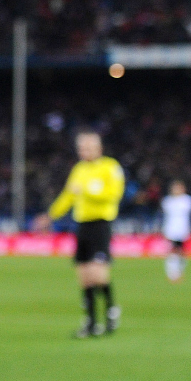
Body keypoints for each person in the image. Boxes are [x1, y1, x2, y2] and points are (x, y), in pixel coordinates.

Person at [40, 131, 125, 338]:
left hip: (101, 224)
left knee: (99, 274)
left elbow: (114, 194)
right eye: (81, 148)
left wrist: (87, 191)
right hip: (82, 225)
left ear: (99, 148)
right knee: (84, 277)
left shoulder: (110, 167)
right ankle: (91, 322)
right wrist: (51, 216)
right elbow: (68, 196)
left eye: (88, 147)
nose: (84, 151)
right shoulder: (79, 169)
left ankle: (111, 310)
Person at [161, 180, 191, 282]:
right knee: (172, 251)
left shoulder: (187, 200)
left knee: (181, 252)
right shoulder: (167, 201)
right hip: (171, 229)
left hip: (182, 229)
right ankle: (172, 273)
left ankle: (179, 272)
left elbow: (190, 215)